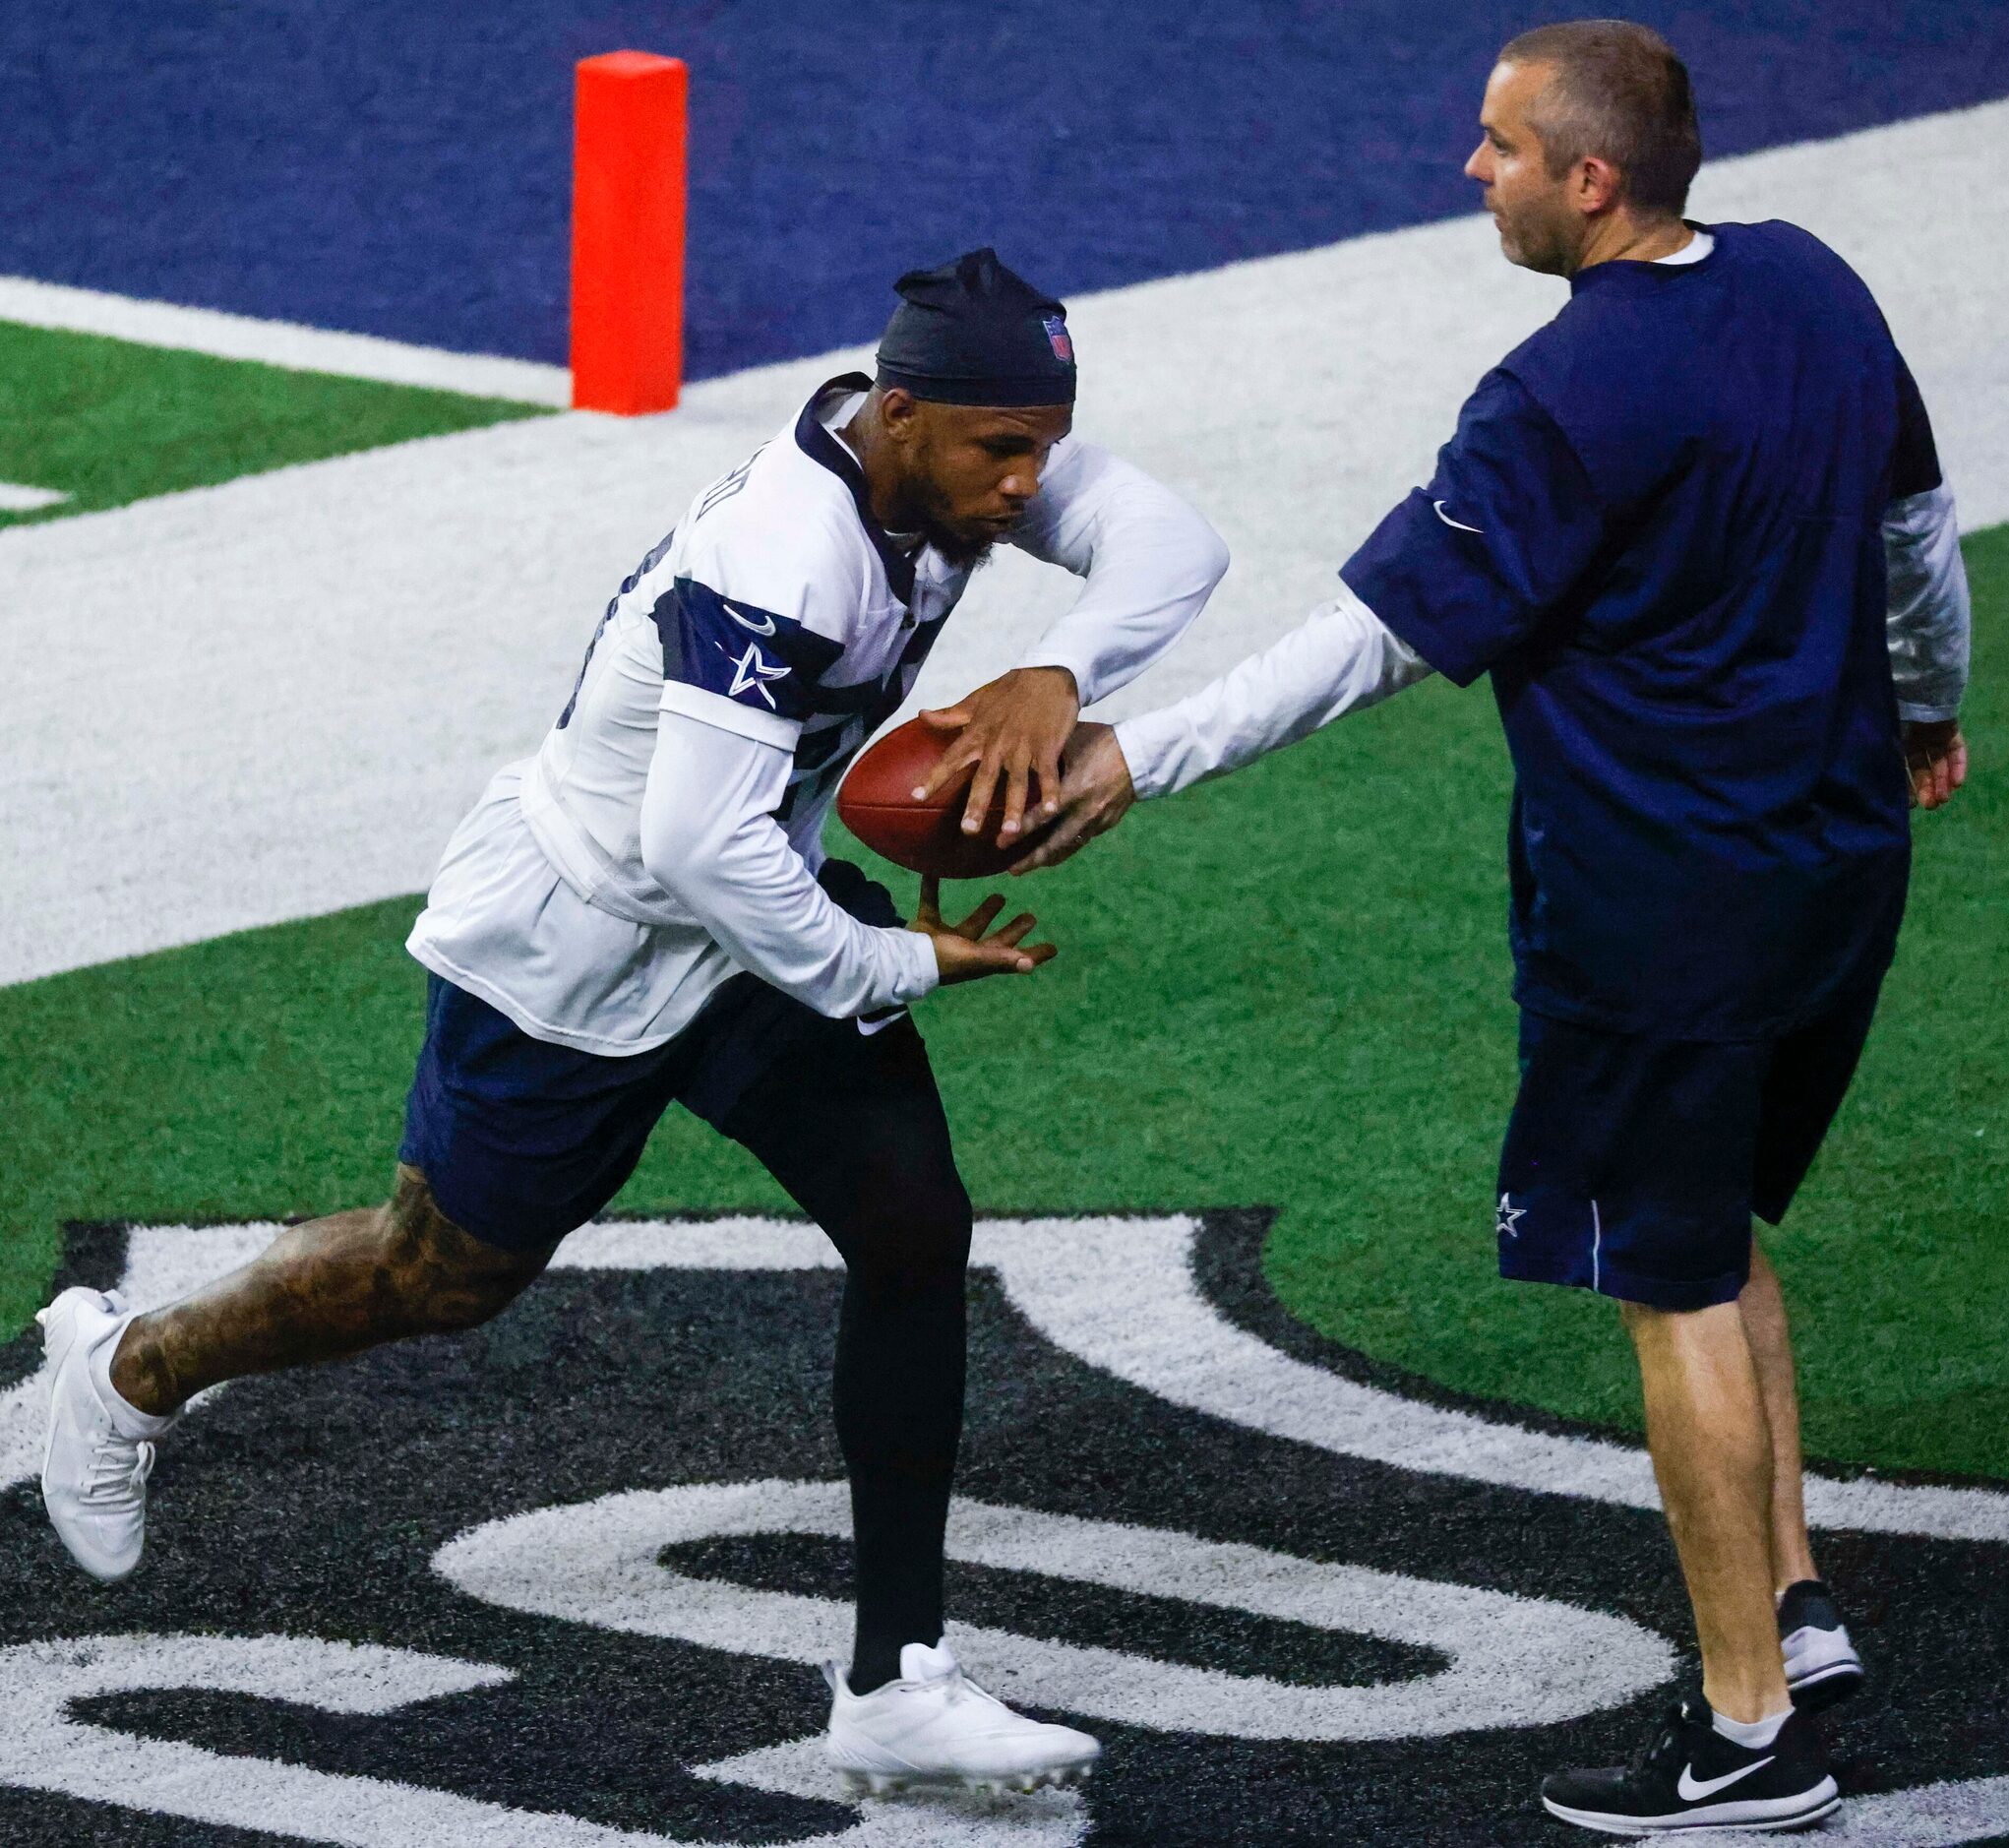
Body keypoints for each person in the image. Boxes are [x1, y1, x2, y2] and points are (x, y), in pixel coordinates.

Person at [36, 248, 1231, 1797]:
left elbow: (1172, 545)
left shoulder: (945, 467)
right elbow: (690, 843)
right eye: (1002, 451)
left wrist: (1058, 667)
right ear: (903, 411)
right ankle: (131, 1366)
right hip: (581, 944)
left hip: (746, 936)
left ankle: (893, 1675)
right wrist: (888, 970)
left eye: (1043, 453)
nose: (1027, 487)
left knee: (912, 1221)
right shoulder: (779, 556)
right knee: (439, 1276)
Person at [1025, 22, 1970, 1834]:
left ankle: (1747, 1733)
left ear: (1588, 180)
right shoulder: (1816, 288)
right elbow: (1914, 529)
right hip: (1837, 868)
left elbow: (1368, 640)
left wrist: (1135, 755)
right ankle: (1792, 1604)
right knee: (1718, 1226)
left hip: (1661, 911)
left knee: (1668, 1278)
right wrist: (1925, 700)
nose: (1475, 171)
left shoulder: (1562, 395)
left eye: (1499, 146)